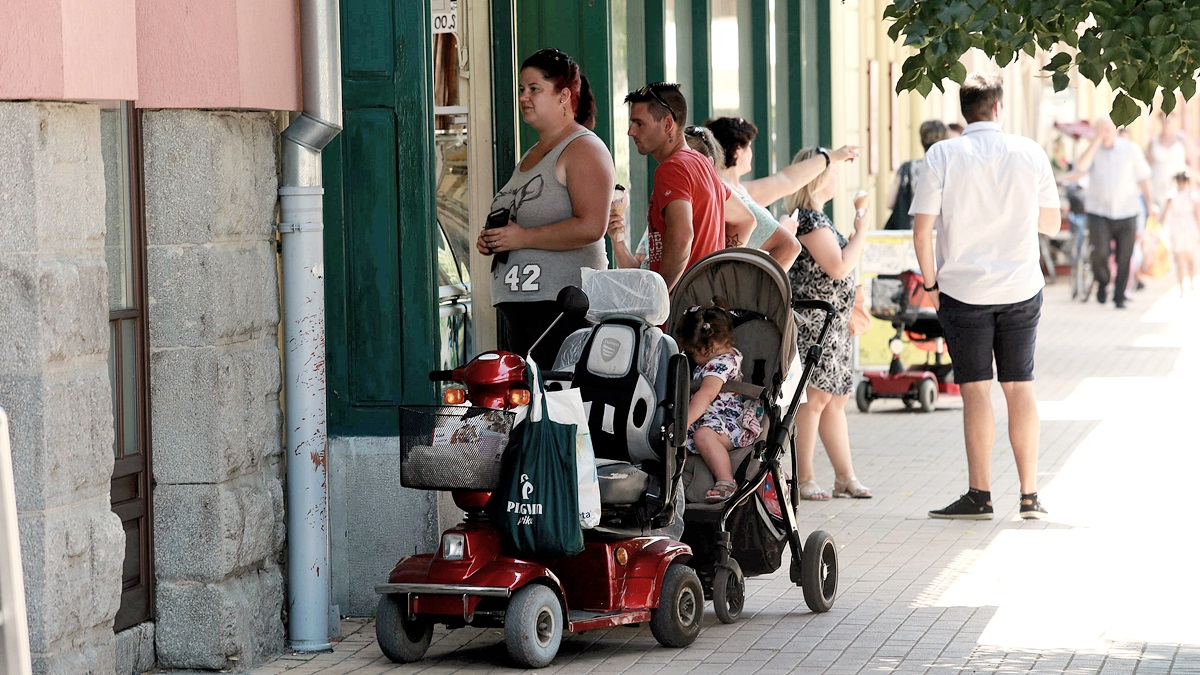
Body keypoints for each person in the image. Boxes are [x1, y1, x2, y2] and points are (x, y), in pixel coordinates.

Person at [910, 72, 1061, 520]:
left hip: (962, 290)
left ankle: (980, 495)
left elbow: (922, 230)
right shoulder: (1030, 152)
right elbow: (1051, 225)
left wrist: (931, 284)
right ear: (999, 107)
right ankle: (1030, 496)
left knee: (975, 391)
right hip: (1021, 286)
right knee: (1020, 387)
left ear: (964, 110)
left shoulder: (942, 154)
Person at [477, 48, 615, 367]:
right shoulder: (531, 154)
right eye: (521, 89)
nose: (524, 97)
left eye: (535, 89)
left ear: (563, 95)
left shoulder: (584, 148)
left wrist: (522, 238)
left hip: (561, 310)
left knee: (557, 410)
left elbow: (593, 226)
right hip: (523, 309)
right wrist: (494, 238)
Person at [781, 148, 872, 501]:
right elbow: (837, 267)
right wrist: (861, 232)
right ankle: (805, 477)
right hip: (815, 323)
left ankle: (845, 476)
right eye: (832, 172)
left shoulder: (819, 218)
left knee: (834, 399)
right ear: (819, 178)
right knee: (814, 399)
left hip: (832, 325)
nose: (836, 178)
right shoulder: (809, 220)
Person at [614, 83, 750, 291]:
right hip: (704, 306)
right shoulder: (702, 163)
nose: (631, 132)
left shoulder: (672, 168)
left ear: (668, 123)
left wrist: (659, 297)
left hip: (681, 312)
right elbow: (744, 219)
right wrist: (716, 273)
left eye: (639, 124)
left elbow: (682, 237)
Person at [707, 116, 859, 265]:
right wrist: (782, 232)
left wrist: (831, 157)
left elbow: (787, 180)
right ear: (738, 150)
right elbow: (738, 251)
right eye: (749, 147)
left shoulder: (739, 190)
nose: (752, 153)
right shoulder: (725, 192)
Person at [608, 124, 755, 268]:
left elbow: (747, 220)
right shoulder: (666, 209)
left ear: (707, 166)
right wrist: (618, 240)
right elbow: (640, 273)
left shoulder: (717, 197)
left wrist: (721, 267)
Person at [676, 305, 761, 503]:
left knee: (703, 436)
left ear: (709, 346)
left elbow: (705, 395)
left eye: (693, 351)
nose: (692, 357)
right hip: (710, 419)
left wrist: (684, 422)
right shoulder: (719, 358)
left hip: (726, 425)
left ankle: (726, 481)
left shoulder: (720, 365)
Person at [1073, 117, 1154, 309]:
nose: (1104, 133)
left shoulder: (1130, 149)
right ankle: (1102, 282)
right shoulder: (1092, 150)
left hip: (1127, 211)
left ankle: (1119, 296)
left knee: (1125, 256)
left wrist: (1150, 206)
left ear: (1116, 130)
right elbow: (1080, 167)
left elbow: (1144, 178)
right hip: (1099, 211)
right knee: (1099, 252)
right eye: (1100, 129)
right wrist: (1094, 143)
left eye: (1108, 129)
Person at [885, 120, 949, 230]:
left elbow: (890, 203)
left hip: (911, 232)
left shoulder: (907, 168)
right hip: (941, 233)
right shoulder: (949, 168)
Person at [1161, 171, 1200, 295]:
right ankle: (1187, 283)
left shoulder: (1177, 196)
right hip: (1184, 228)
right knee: (1187, 258)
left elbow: (1165, 216)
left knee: (1184, 258)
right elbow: (1196, 215)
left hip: (1182, 228)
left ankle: (1185, 284)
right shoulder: (1186, 196)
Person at [1147, 112, 1194, 210]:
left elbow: (1192, 162)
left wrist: (1193, 185)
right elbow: (1148, 166)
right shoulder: (1153, 140)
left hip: (1178, 186)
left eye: (1168, 121)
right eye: (1163, 121)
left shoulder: (1182, 138)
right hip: (1158, 187)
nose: (1166, 124)